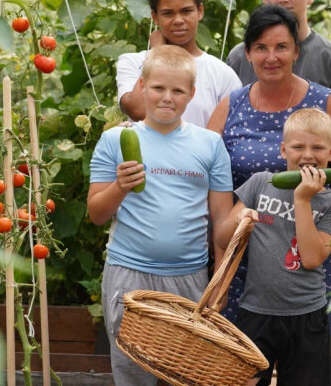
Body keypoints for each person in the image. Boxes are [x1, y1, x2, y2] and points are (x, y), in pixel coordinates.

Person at [207, 4, 331, 336]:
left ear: (296, 50)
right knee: (244, 363)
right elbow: (213, 184)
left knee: (307, 361)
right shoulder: (229, 107)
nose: (271, 57)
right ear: (247, 53)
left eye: (281, 47)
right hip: (247, 260)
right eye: (261, 48)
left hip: (310, 253)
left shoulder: (326, 103)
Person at [88, 45, 234, 385]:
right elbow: (96, 213)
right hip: (129, 276)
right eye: (158, 88)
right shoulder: (115, 140)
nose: (167, 98)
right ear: (142, 86)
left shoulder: (210, 145)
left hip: (189, 278)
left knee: (184, 374)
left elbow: (221, 220)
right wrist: (120, 187)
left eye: (178, 90)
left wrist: (221, 279)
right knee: (131, 372)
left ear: (192, 94)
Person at [215, 108, 331, 386]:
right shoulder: (261, 183)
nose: (308, 154)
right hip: (256, 311)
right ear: (284, 150)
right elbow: (222, 238)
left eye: (317, 147)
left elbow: (311, 258)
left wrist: (303, 200)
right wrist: (240, 219)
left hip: (307, 316)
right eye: (298, 147)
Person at [117, 0, 241, 128]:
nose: (178, 20)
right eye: (168, 13)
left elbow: (228, 136)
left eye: (186, 11)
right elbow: (139, 110)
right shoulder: (132, 62)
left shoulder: (222, 75)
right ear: (155, 17)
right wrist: (158, 53)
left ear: (200, 11)